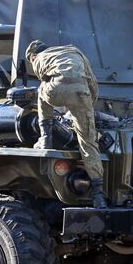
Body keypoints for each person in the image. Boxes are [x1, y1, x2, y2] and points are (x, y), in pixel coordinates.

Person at [25, 40, 106, 208]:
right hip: (81, 92)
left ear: (33, 56)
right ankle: (98, 195)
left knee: (42, 90)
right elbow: (93, 83)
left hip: (55, 91)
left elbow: (48, 80)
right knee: (88, 143)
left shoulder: (39, 59)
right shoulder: (75, 52)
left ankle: (46, 138)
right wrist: (88, 106)